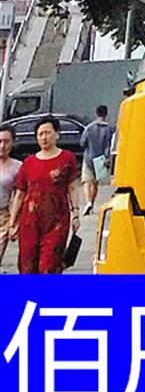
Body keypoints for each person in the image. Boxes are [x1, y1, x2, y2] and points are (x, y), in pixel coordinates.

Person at [6, 119, 79, 274]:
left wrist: (76, 213)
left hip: (57, 220)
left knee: (49, 265)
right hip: (30, 221)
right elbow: (20, 193)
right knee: (27, 265)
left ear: (57, 134)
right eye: (40, 134)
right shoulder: (29, 162)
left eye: (47, 133)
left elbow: (72, 187)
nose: (44, 137)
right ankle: (30, 297)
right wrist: (13, 222)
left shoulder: (67, 158)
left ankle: (46, 297)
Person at [78, 106, 112, 210]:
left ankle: (88, 202)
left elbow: (82, 143)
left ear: (96, 113)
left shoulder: (89, 128)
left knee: (87, 181)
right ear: (106, 114)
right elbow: (110, 145)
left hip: (89, 157)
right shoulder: (109, 129)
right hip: (102, 159)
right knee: (95, 183)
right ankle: (92, 202)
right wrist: (108, 158)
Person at [0, 127, 19, 269]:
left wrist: (14, 222)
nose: (2, 146)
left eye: (6, 142)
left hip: (4, 217)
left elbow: (19, 196)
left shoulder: (18, 167)